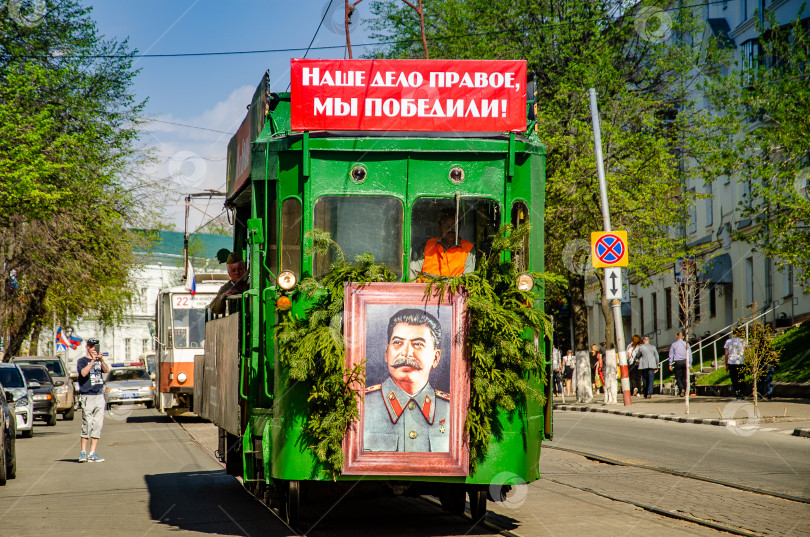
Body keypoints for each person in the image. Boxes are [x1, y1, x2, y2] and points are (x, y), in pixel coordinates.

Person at [364, 309, 450, 452]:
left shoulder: (452, 410)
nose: (406, 353)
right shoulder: (360, 405)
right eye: (397, 342)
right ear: (386, 353)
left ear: (436, 358)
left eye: (418, 344)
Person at [409, 210, 476, 279]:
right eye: (446, 226)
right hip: (426, 289)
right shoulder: (428, 245)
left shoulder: (468, 248)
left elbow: (468, 278)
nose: (451, 229)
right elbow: (413, 270)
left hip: (454, 289)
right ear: (440, 227)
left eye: (454, 225)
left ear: (459, 227)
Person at [77, 338, 109, 462]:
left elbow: (106, 371)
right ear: (87, 347)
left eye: (95, 346)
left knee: (97, 424)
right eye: (91, 346)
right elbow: (83, 373)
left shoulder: (99, 360)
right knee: (87, 424)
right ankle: (83, 452)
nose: (94, 349)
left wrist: (101, 360)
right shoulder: (82, 361)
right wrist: (92, 361)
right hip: (87, 395)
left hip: (99, 395)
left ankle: (92, 452)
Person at [724, 331, 747, 400]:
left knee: (734, 379)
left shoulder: (728, 341)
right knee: (742, 378)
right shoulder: (742, 341)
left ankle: (737, 392)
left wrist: (726, 364)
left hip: (732, 362)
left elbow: (726, 354)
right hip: (740, 362)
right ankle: (742, 392)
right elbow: (746, 351)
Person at [668, 331, 692, 397]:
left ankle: (681, 388)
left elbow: (671, 354)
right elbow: (689, 354)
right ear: (683, 337)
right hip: (685, 361)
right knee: (684, 376)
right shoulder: (686, 344)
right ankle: (684, 389)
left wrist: (670, 363)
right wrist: (690, 363)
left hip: (677, 362)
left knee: (678, 376)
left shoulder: (674, 344)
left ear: (677, 337)